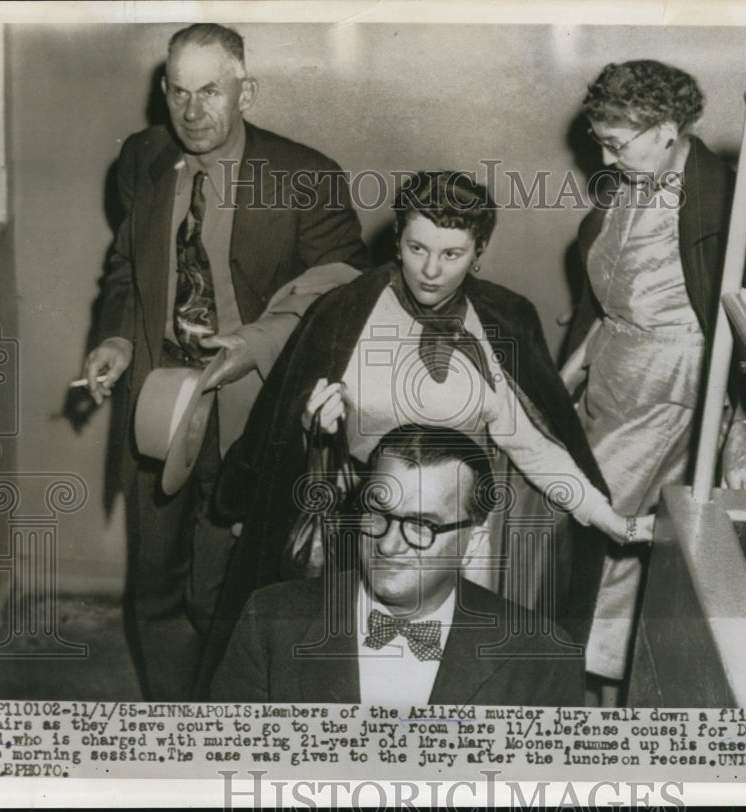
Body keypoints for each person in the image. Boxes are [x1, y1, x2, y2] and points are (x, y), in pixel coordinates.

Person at [203, 171, 654, 693]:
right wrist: (314, 429)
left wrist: (606, 518)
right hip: (364, 532)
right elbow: (281, 433)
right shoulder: (344, 314)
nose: (431, 271)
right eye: (417, 248)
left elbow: (534, 445)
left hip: (448, 539)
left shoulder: (502, 322)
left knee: (452, 682)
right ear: (396, 237)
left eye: (452, 254)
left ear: (479, 250)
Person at [80, 23, 367, 700]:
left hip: (254, 415)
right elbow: (127, 271)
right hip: (160, 406)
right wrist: (118, 338)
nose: (192, 111)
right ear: (163, 92)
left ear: (247, 91)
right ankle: (175, 727)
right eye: (178, 92)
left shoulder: (304, 176)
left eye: (210, 91)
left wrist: (256, 343)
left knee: (226, 594)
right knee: (153, 589)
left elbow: (345, 283)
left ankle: (228, 727)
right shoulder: (143, 160)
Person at [562, 60, 746, 693]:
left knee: (590, 526)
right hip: (611, 381)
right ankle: (586, 679)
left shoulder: (733, 206)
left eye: (618, 142)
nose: (609, 158)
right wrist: (564, 376)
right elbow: (603, 307)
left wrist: (740, 434)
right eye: (602, 143)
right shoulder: (628, 190)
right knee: (592, 538)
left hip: (676, 393)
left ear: (667, 129)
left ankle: (591, 680)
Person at [210, 425, 585, 705]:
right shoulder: (271, 620)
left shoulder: (542, 655)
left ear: (474, 542)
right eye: (378, 514)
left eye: (422, 525)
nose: (388, 544)